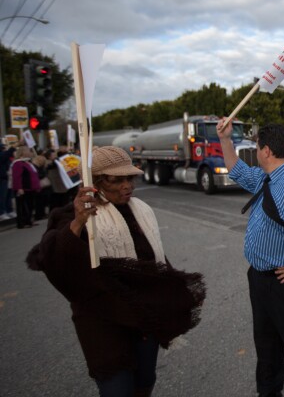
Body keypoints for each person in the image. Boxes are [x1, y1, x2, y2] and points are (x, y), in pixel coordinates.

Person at [26, 146, 206, 397]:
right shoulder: (71, 214)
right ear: (95, 182)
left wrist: (172, 295)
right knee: (116, 389)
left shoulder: (140, 210)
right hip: (103, 321)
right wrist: (78, 223)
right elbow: (48, 260)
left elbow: (154, 261)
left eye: (129, 178)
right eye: (117, 180)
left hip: (143, 319)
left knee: (145, 381)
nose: (127, 186)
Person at [216, 120, 284, 397]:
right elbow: (237, 171)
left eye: (256, 147)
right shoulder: (269, 177)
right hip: (260, 279)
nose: (256, 151)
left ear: (265, 151)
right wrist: (226, 140)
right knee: (267, 348)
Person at [11, 145, 41, 229]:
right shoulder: (18, 163)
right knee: (23, 206)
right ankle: (22, 222)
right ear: (23, 152)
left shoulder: (27, 162)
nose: (30, 153)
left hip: (31, 188)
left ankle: (29, 220)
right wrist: (19, 188)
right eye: (28, 151)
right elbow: (17, 177)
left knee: (30, 205)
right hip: (24, 188)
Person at [0, 141, 17, 221]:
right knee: (2, 196)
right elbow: (5, 155)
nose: (4, 149)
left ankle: (9, 210)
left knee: (8, 195)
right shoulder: (2, 156)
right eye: (3, 148)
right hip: (2, 178)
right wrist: (12, 148)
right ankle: (2, 212)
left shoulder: (5, 157)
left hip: (7, 177)